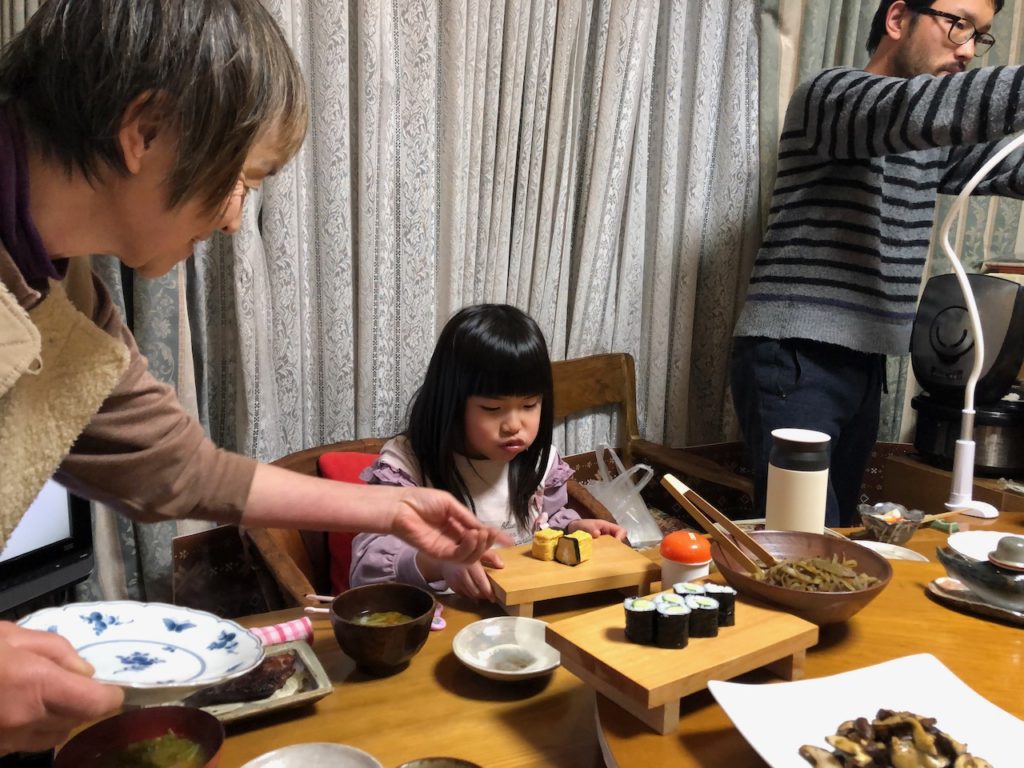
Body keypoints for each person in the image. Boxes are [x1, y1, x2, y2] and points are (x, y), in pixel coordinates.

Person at [0, 0, 507, 756]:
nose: (234, 219)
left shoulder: (63, 293)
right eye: (241, 179)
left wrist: (394, 508)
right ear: (146, 132)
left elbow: (179, 469)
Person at [729, 0, 1022, 527]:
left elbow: (1007, 164)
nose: (968, 50)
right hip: (796, 356)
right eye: (958, 25)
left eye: (980, 36)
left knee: (839, 537)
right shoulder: (831, 96)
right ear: (897, 19)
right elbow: (922, 111)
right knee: (803, 537)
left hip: (864, 362)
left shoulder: (928, 140)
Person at [350, 304, 626, 601]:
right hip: (445, 618)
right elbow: (365, 569)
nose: (514, 425)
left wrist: (574, 528)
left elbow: (547, 519)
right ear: (451, 403)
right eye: (493, 408)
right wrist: (441, 561)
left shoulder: (540, 463)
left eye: (529, 405)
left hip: (521, 613)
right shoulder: (407, 467)